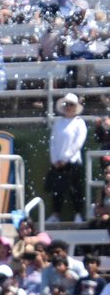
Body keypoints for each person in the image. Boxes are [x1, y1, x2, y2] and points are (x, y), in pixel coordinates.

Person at [45, 93, 87, 224]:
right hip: (57, 163)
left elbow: (78, 144)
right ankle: (55, 215)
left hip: (72, 162)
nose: (68, 107)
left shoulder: (80, 123)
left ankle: (78, 215)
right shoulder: (58, 123)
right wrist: (55, 160)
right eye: (66, 104)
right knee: (57, 191)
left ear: (75, 107)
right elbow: (52, 142)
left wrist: (65, 158)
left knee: (75, 190)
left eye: (71, 105)